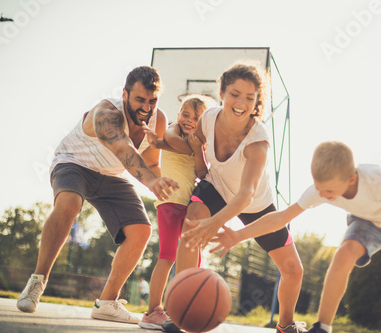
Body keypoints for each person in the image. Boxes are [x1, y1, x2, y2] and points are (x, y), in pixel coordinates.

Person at [210, 141, 381, 333]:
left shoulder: (379, 179)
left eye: (329, 192)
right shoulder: (320, 187)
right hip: (366, 222)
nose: (323, 195)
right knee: (343, 254)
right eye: (319, 188)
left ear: (351, 179)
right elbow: (281, 218)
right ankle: (323, 326)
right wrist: (238, 235)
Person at [16, 66, 179, 324]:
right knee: (69, 203)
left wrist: (160, 184)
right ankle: (37, 281)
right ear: (125, 94)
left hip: (112, 175)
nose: (146, 107)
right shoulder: (106, 114)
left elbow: (150, 162)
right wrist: (150, 179)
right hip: (75, 163)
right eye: (139, 100)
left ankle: (106, 302)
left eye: (152, 100)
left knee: (141, 230)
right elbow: (124, 151)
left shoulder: (158, 120)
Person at [180, 63, 307, 333]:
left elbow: (246, 194)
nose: (241, 103)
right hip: (217, 186)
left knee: (293, 270)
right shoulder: (208, 119)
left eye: (250, 98)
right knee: (191, 227)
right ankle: (180, 311)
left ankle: (286, 325)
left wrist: (215, 224)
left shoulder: (257, 141)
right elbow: (193, 139)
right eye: (235, 94)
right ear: (222, 92)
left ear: (257, 101)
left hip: (255, 203)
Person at [138, 95, 211, 330]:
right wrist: (193, 146)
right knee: (167, 256)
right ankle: (151, 312)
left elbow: (202, 172)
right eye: (185, 114)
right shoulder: (172, 131)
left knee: (194, 257)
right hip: (169, 202)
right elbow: (176, 143)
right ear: (178, 115)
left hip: (189, 206)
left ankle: (180, 308)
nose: (189, 120)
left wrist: (200, 149)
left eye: (196, 118)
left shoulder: (200, 144)